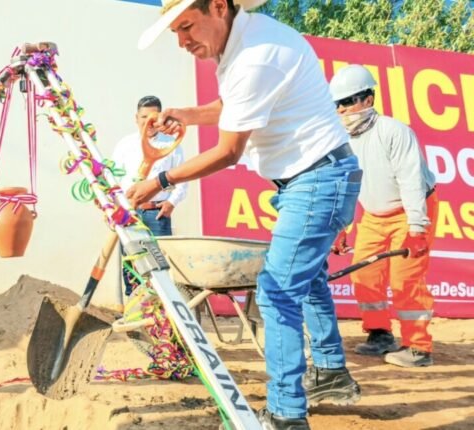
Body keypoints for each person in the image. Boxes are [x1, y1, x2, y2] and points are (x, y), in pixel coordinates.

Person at [129, 1, 362, 427]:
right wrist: (186, 115)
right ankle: (331, 372)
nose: (182, 42)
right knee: (307, 279)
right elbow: (232, 105)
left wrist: (160, 181)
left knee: (276, 291)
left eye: (187, 26)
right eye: (175, 32)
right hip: (311, 177)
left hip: (318, 179)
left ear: (219, 6)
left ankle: (286, 415)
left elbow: (228, 152)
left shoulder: (256, 56)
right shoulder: (245, 43)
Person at [329, 65, 438, 368]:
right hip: (375, 215)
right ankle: (379, 334)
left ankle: (418, 348)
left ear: (368, 99)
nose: (341, 109)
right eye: (337, 104)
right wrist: (342, 227)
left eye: (348, 101)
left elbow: (411, 181)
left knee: (406, 278)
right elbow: (346, 187)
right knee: (364, 273)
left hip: (411, 209)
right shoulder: (341, 140)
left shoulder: (393, 131)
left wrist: (417, 229)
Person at [112, 95, 187, 296]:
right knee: (132, 266)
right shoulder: (125, 145)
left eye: (153, 117)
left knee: (160, 266)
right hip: (130, 215)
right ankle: (134, 308)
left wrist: (170, 203)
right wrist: (116, 206)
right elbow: (113, 179)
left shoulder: (171, 145)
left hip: (157, 214)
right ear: (136, 118)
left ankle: (161, 311)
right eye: (144, 117)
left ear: (160, 118)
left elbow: (182, 180)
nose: (148, 122)